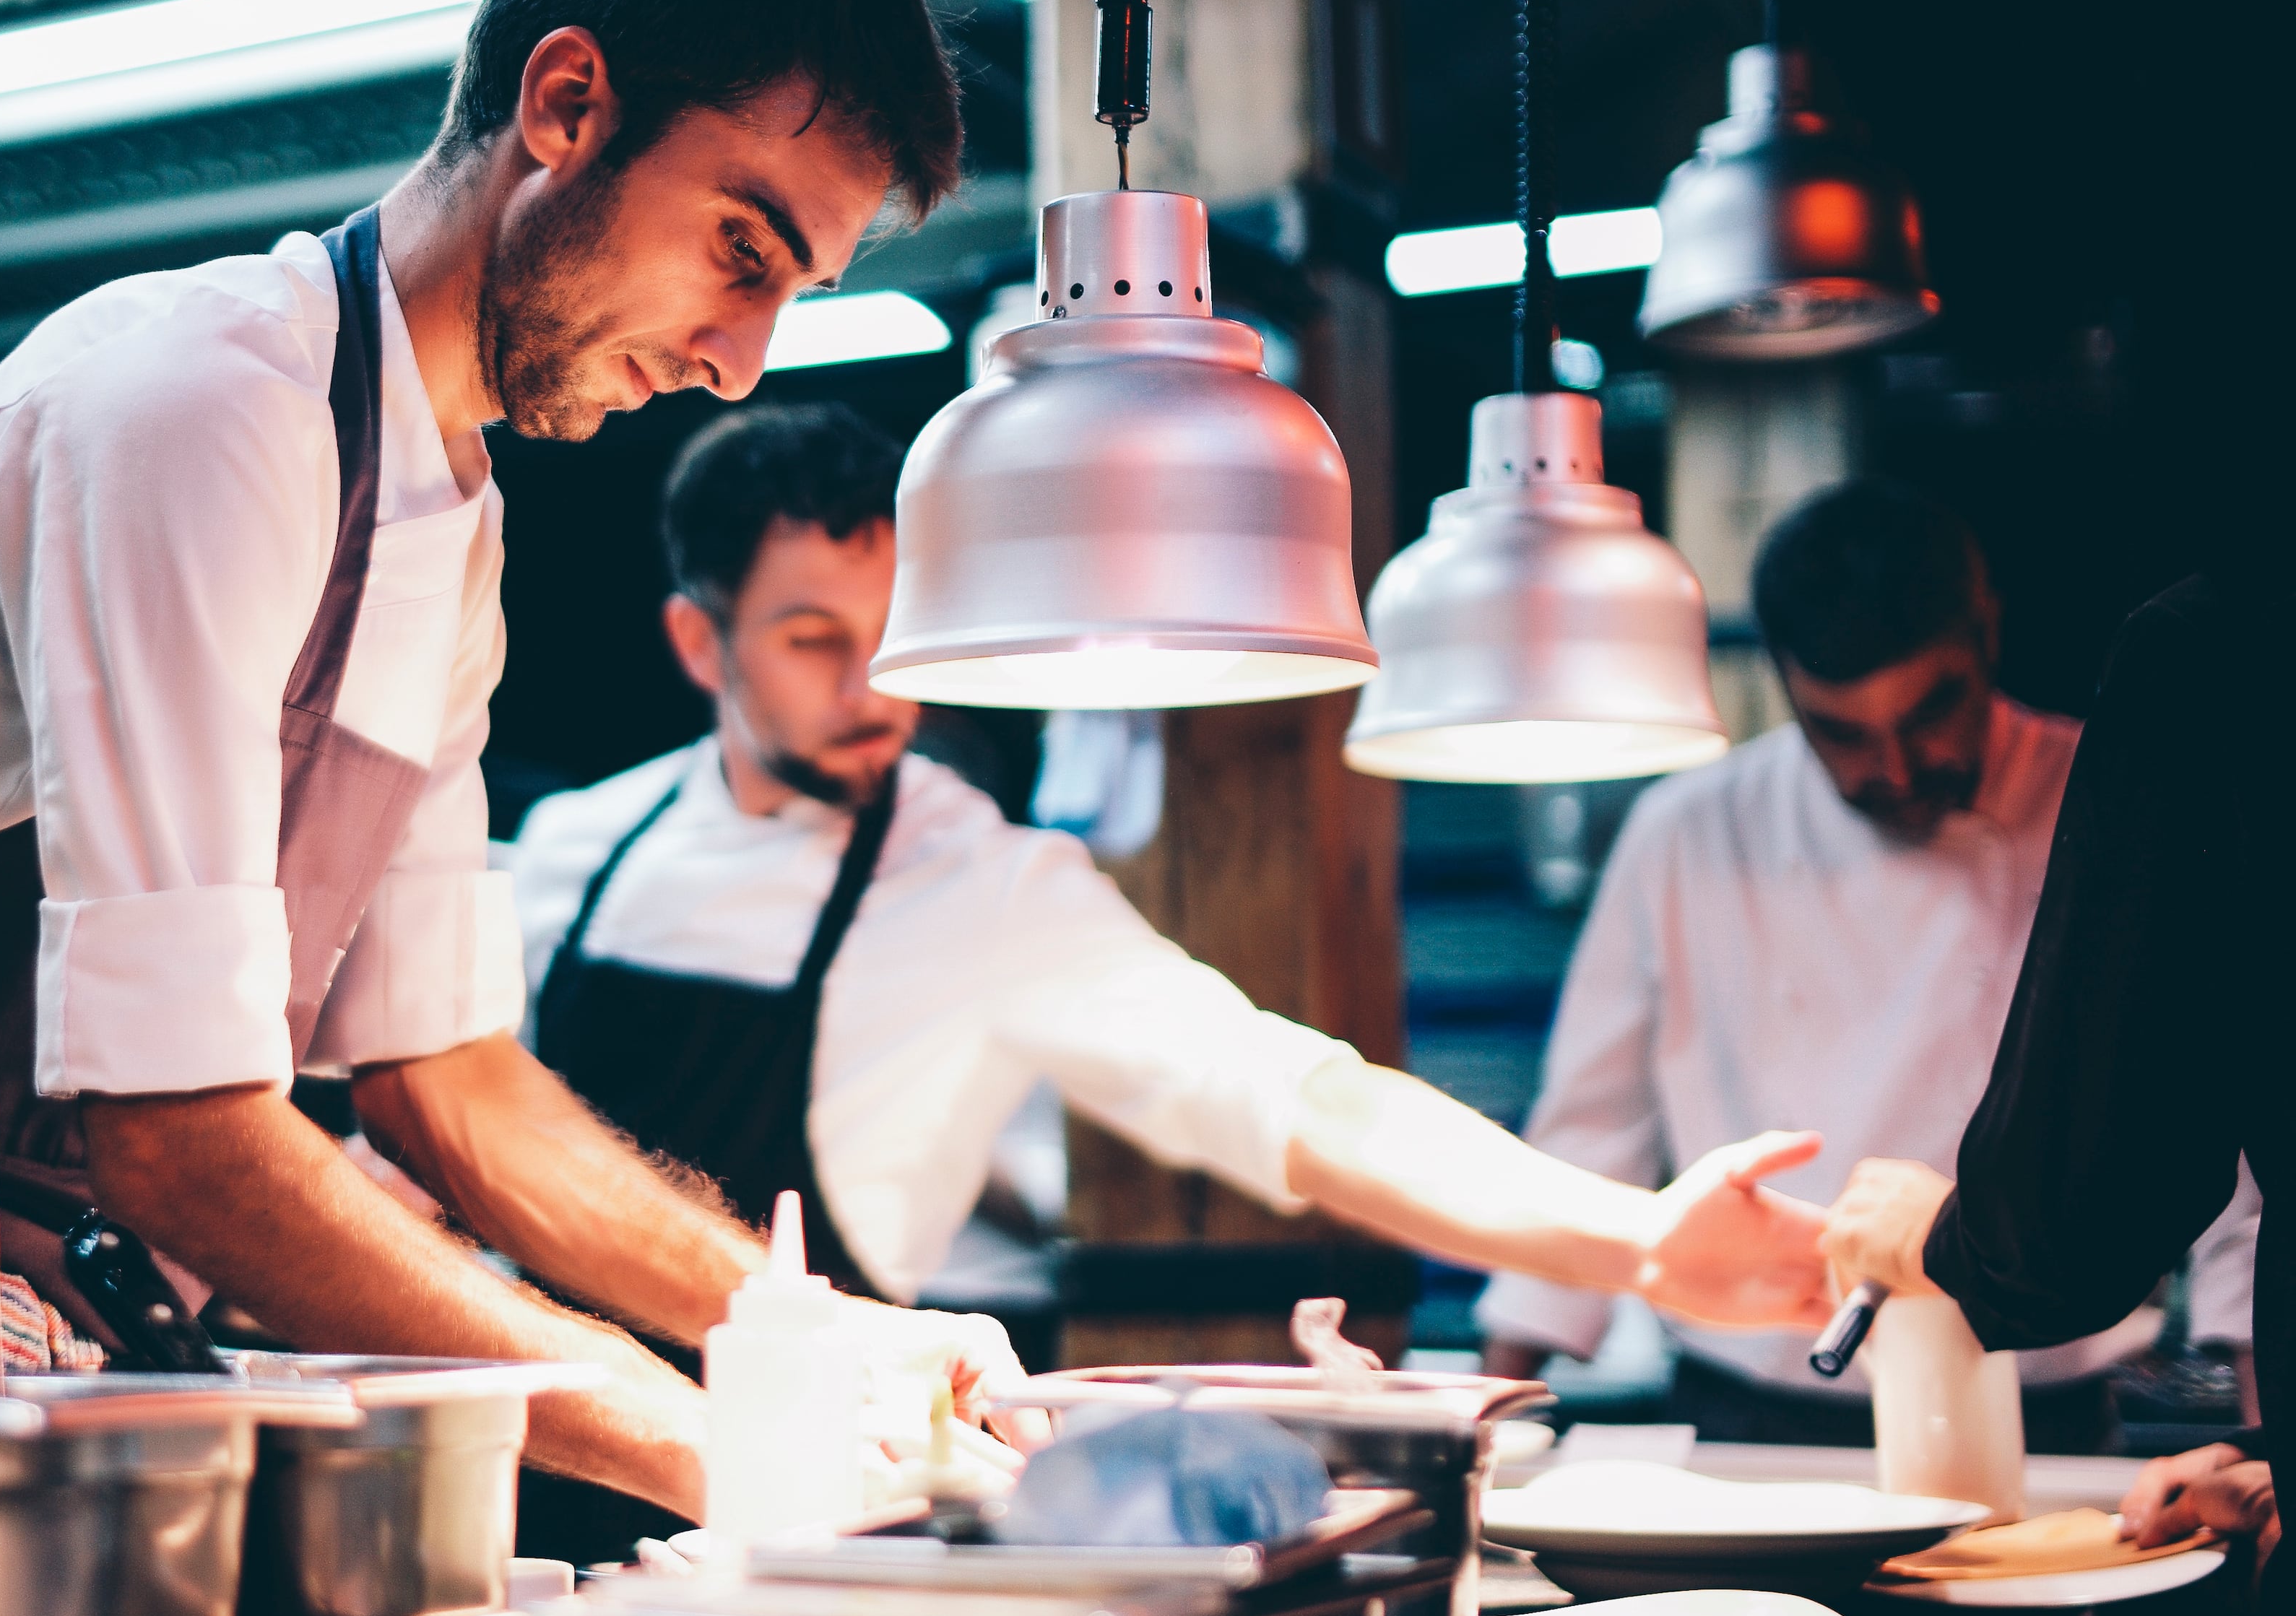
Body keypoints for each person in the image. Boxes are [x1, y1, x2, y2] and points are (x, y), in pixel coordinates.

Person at [0, 0, 1033, 1616]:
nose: (735, 357)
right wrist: (713, 1447)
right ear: (565, 101)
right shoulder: (198, 404)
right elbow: (183, 1133)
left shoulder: (450, 521)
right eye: (739, 247)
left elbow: (453, 1087)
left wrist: (820, 1341)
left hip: (92, 1367)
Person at [510, 402, 1838, 1324]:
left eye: (893, 628)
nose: (876, 686)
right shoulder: (575, 852)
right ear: (701, 645)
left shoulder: (985, 886)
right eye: (813, 639)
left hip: (779, 1506)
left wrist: (1637, 1243)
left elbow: (1304, 1099)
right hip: (534, 1463)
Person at [1476, 479, 2258, 1443]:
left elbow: (2238, 1128)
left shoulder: (2106, 793)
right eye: (1842, 732)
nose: (1893, 768)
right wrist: (1484, 1420)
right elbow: (1591, 1131)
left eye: (1932, 711)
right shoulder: (1689, 829)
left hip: (2040, 1409)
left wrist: (2267, 1458)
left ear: (1987, 633)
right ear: (1784, 685)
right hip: (1752, 1412)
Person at [1818, 555, 2289, 1616]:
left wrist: (1934, 1233)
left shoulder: (2220, 650)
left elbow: (2079, 1215)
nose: (1902, 767)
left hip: (2060, 1376)